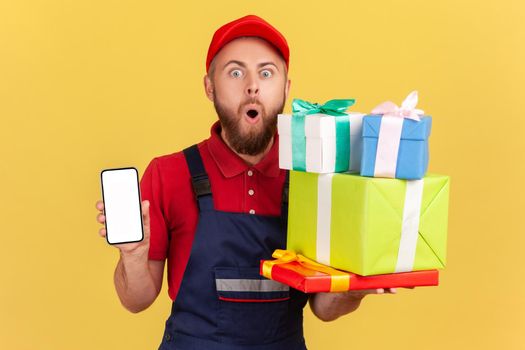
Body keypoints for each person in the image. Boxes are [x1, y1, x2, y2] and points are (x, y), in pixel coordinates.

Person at [95, 14, 396, 350]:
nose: (252, 86)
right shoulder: (169, 173)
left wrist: (355, 288)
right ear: (209, 87)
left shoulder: (313, 179)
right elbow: (136, 299)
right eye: (235, 72)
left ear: (286, 87)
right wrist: (133, 257)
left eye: (266, 73)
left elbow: (324, 307)